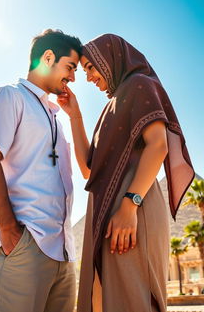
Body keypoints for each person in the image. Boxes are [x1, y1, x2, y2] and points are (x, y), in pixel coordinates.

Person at [58, 33, 195, 312]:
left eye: (91, 68)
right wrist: (75, 115)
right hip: (109, 213)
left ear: (110, 59)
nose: (88, 77)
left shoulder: (139, 84)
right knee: (102, 298)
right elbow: (88, 170)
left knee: (131, 298)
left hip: (132, 209)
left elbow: (158, 145)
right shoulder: (112, 104)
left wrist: (129, 206)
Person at [0, 29, 82, 312]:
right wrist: (10, 231)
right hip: (25, 245)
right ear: (48, 57)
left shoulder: (56, 119)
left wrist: (75, 116)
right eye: (70, 67)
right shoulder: (10, 96)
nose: (73, 77)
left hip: (62, 252)